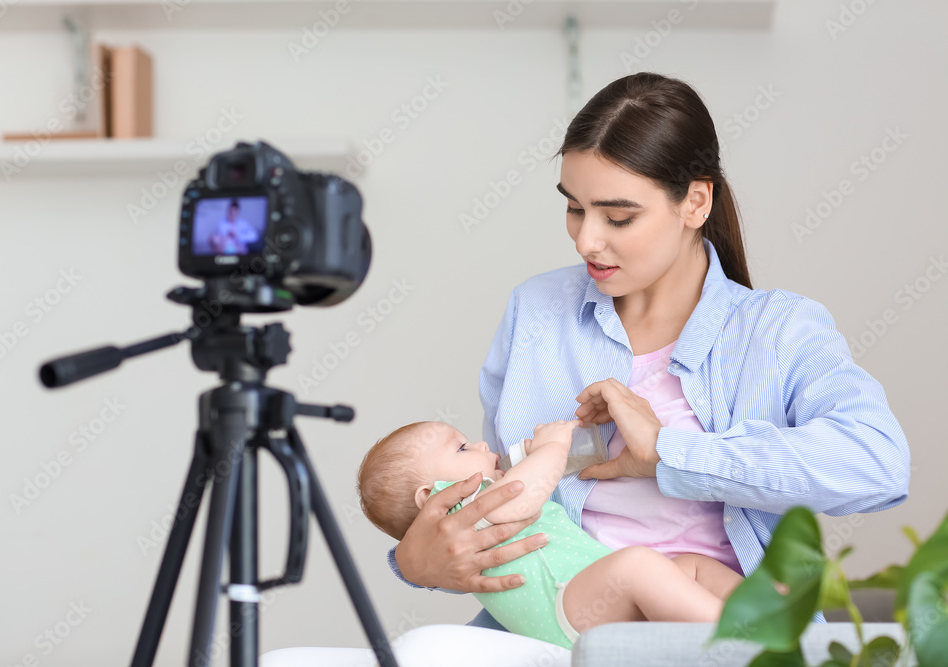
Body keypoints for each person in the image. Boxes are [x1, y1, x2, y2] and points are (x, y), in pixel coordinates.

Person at [261, 71, 911, 665]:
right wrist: (416, 557)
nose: (585, 239)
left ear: (695, 203)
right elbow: (492, 488)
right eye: (574, 206)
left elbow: (879, 465)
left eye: (618, 215)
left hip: (712, 623)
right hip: (562, 631)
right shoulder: (537, 311)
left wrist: (671, 452)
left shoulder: (779, 328)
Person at [356, 418, 744, 650]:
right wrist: (554, 447)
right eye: (461, 448)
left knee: (688, 567)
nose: (481, 445)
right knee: (638, 565)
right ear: (432, 496)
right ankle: (738, 649)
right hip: (568, 611)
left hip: (593, 600)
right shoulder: (458, 512)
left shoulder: (478, 507)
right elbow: (517, 497)